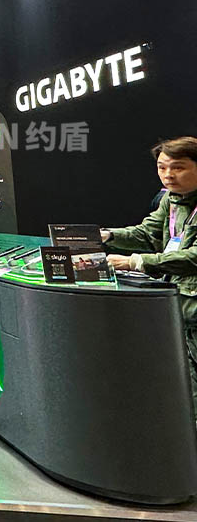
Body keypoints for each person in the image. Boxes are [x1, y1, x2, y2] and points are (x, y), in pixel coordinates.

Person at [103, 137, 197, 421]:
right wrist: (108, 235)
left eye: (178, 167)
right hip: (180, 304)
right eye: (162, 167)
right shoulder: (171, 199)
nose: (168, 175)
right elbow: (147, 233)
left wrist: (138, 262)